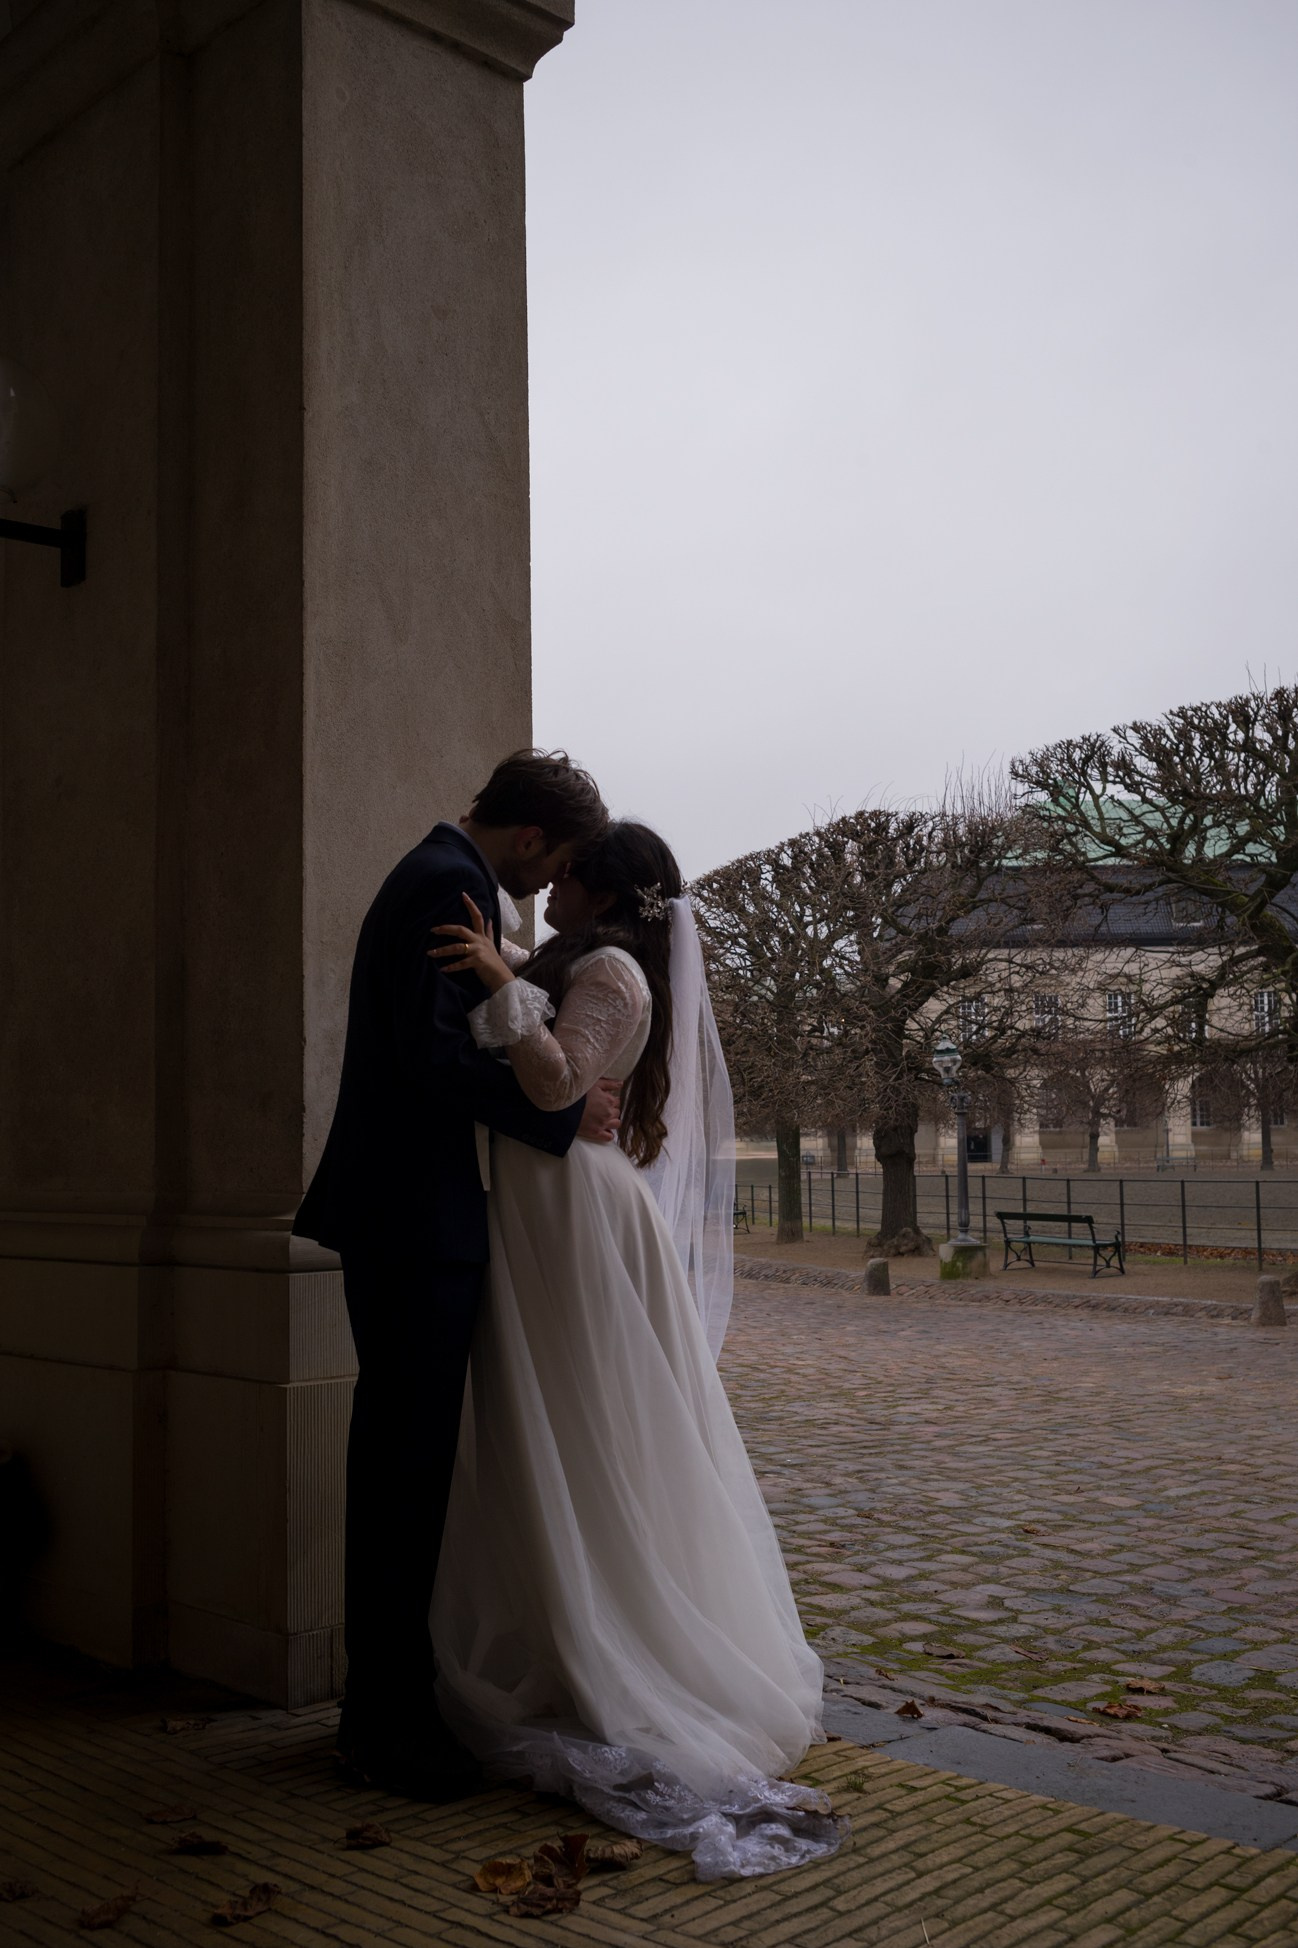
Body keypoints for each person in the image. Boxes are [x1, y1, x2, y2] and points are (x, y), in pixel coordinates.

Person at [427, 821, 846, 1878]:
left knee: (578, 1415)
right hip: (545, 1202)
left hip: (570, 1209)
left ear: (603, 889)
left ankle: (608, 1640)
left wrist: (494, 977)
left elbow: (557, 1083)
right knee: (552, 1415)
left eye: (566, 874)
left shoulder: (609, 967)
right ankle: (560, 1625)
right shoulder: (583, 959)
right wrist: (511, 972)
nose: (550, 887)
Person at [293, 751, 616, 1800]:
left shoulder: (444, 875)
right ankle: (384, 1722)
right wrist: (560, 1112)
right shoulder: (450, 883)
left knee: (403, 1463)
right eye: (555, 859)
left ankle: (382, 1709)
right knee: (404, 1471)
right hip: (415, 1216)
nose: (545, 880)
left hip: (405, 1209)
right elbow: (431, 1056)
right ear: (528, 840)